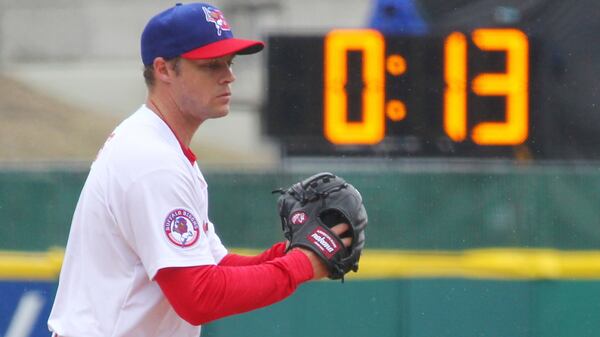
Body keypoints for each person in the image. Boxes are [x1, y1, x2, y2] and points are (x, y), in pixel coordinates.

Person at [47, 3, 350, 337]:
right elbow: (199, 296)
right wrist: (302, 264)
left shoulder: (161, 147)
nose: (229, 75)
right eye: (210, 65)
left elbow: (216, 267)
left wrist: (295, 252)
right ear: (164, 69)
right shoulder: (151, 160)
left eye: (229, 62)